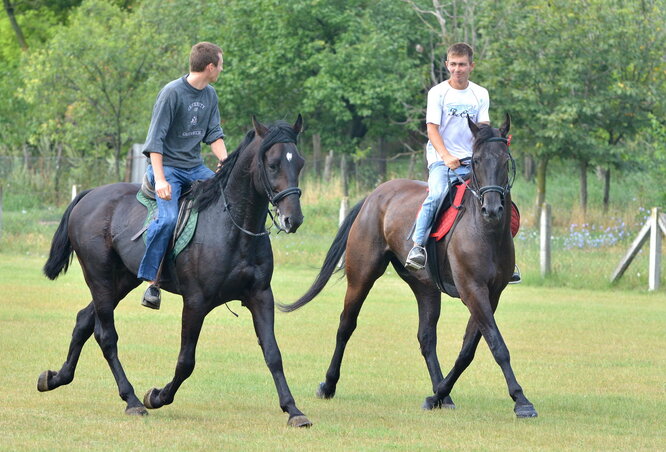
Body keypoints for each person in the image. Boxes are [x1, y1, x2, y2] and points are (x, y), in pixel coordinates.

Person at [405, 42, 520, 283]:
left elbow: (483, 129)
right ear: (447, 65)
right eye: (454, 64)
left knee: (498, 197)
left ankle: (507, 261)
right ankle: (417, 246)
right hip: (442, 160)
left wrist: (492, 149)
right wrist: (446, 156)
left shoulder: (480, 93)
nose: (458, 69)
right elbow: (432, 129)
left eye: (463, 65)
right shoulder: (437, 93)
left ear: (471, 66)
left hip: (474, 161)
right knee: (436, 195)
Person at [137, 42, 228, 309]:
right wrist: (161, 179)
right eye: (220, 64)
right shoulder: (171, 93)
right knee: (167, 220)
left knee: (225, 201)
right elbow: (155, 141)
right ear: (210, 66)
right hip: (167, 168)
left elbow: (214, 135)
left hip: (195, 167)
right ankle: (153, 282)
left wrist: (226, 162)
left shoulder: (210, 95)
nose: (222, 68)